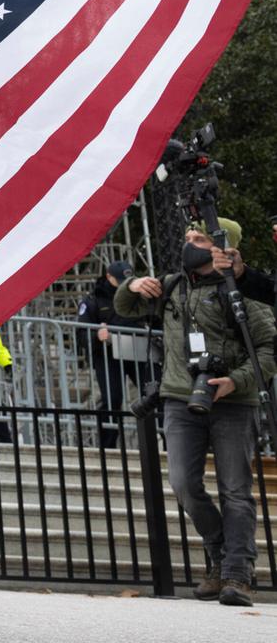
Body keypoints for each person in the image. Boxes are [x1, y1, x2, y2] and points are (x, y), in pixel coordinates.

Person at [115, 219, 276, 607]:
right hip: (178, 397)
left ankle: (238, 574)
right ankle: (221, 556)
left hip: (233, 402)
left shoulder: (245, 291)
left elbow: (269, 350)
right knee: (184, 485)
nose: (190, 243)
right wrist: (131, 285)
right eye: (188, 237)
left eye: (199, 238)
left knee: (235, 490)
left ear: (223, 245)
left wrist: (235, 381)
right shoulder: (171, 285)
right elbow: (125, 307)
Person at [77, 260, 152, 447]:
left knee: (152, 395)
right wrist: (97, 335)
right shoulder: (93, 299)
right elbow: (81, 332)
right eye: (119, 280)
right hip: (107, 356)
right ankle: (107, 447)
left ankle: (164, 442)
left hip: (138, 351)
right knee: (112, 398)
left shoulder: (140, 295)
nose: (123, 284)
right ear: (108, 277)